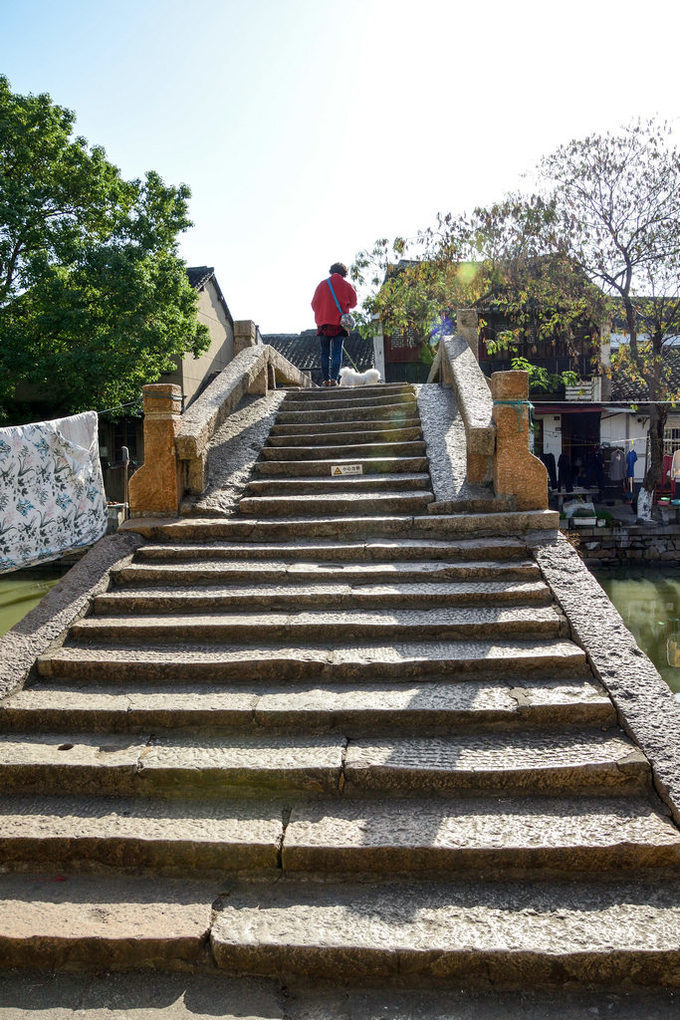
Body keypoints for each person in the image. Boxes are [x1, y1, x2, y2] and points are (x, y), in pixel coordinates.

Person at [311, 262, 357, 386]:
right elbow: (353, 303)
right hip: (339, 324)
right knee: (337, 352)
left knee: (324, 353)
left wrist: (323, 312)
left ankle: (325, 380)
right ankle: (334, 379)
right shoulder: (347, 285)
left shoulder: (322, 285)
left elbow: (314, 304)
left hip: (324, 324)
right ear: (344, 273)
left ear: (331, 271)